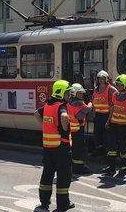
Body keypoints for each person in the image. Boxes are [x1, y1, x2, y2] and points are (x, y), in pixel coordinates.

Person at [34, 80, 74, 211]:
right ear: (61, 92)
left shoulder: (48, 104)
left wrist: (47, 126)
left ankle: (44, 202)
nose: (69, 95)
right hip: (61, 147)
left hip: (48, 147)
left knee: (47, 173)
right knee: (63, 175)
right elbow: (64, 117)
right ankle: (63, 205)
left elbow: (36, 114)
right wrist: (64, 125)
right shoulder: (61, 106)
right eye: (67, 92)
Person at [103, 74, 126, 177]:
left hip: (124, 125)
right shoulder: (115, 95)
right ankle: (111, 167)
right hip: (113, 124)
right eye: (117, 84)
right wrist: (108, 121)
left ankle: (124, 167)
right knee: (111, 148)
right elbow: (112, 109)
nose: (117, 86)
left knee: (124, 148)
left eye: (119, 85)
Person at [67, 83, 93, 175]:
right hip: (78, 129)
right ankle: (79, 168)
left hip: (72, 129)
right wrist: (90, 101)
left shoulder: (70, 101)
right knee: (79, 150)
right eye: (80, 93)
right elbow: (88, 109)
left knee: (75, 149)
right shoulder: (78, 102)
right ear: (74, 93)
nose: (82, 95)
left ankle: (75, 167)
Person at [91, 70, 116, 156]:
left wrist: (109, 119)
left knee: (106, 135)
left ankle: (106, 151)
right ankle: (98, 150)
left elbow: (116, 100)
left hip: (106, 115)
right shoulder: (96, 89)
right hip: (98, 115)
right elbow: (93, 101)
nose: (101, 80)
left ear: (106, 79)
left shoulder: (111, 89)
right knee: (97, 134)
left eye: (103, 78)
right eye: (99, 79)